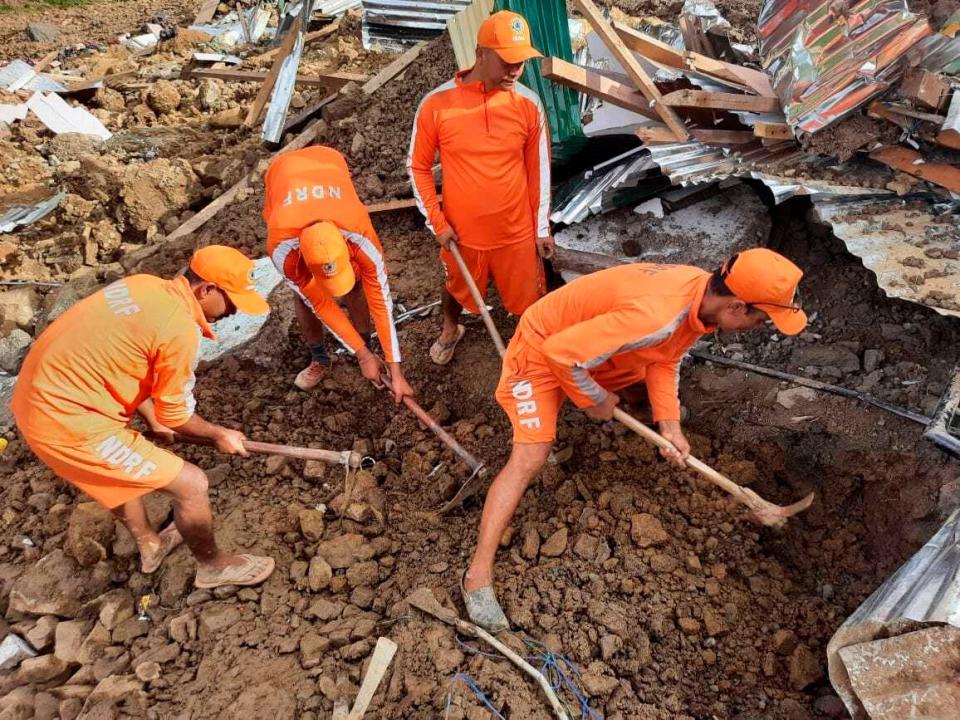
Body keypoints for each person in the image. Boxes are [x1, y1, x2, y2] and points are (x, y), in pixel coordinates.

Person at [461, 249, 808, 632]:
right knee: (531, 456)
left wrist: (670, 424)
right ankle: (477, 577)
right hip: (543, 352)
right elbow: (559, 354)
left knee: (641, 392)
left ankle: (614, 402)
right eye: (761, 319)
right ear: (737, 307)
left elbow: (665, 357)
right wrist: (594, 399)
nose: (760, 326)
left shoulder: (699, 293)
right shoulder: (656, 316)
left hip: (588, 348)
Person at [12, 246, 276, 589]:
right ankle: (213, 567)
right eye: (232, 301)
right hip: (65, 421)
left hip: (40, 394)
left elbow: (119, 351)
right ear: (206, 289)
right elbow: (178, 416)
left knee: (118, 470)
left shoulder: (143, 285)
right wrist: (218, 434)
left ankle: (150, 544)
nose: (234, 311)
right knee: (192, 485)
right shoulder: (179, 330)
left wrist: (150, 415)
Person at [408, 10, 553, 365]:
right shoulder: (437, 105)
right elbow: (418, 167)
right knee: (456, 287)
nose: (516, 70)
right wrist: (438, 224)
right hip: (462, 233)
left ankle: (529, 351)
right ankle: (449, 329)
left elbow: (540, 170)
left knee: (529, 300)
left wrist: (541, 228)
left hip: (515, 231)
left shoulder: (528, 104)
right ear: (481, 54)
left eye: (521, 61)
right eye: (507, 61)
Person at [264, 145, 414, 402]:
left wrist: (396, 371)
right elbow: (321, 303)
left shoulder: (360, 235)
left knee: (355, 284)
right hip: (282, 174)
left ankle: (367, 344)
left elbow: (381, 302)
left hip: (327, 163)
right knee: (304, 298)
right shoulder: (281, 248)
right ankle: (320, 358)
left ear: (347, 247)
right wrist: (363, 357)